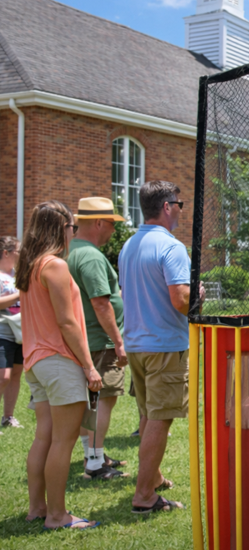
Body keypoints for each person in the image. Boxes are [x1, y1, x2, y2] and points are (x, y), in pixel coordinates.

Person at [16, 201, 102, 530]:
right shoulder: (55, 266)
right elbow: (68, 324)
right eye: (71, 228)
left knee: (44, 438)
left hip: (36, 361)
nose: (73, 233)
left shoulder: (31, 264)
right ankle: (57, 516)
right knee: (62, 442)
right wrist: (89, 366)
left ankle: (38, 508)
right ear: (61, 229)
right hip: (58, 359)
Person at [119, 180, 202, 513]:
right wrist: (198, 297)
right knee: (159, 420)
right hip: (165, 345)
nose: (181, 211)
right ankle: (144, 497)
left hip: (137, 343)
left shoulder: (129, 245)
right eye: (179, 205)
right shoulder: (172, 246)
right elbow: (180, 299)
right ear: (167, 206)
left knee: (147, 414)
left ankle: (152, 477)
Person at [68, 197, 129, 479]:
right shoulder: (91, 256)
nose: (113, 232)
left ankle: (92, 453)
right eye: (112, 225)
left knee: (92, 400)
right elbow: (101, 303)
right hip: (99, 341)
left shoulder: (71, 250)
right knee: (104, 399)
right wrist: (118, 341)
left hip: (84, 339)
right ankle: (95, 463)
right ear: (99, 223)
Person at [0, 236, 24, 433]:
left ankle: (8, 417)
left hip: (20, 332)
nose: (20, 254)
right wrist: (20, 294)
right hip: (2, 332)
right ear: (6, 252)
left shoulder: (19, 275)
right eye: (17, 250)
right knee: (3, 376)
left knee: (16, 374)